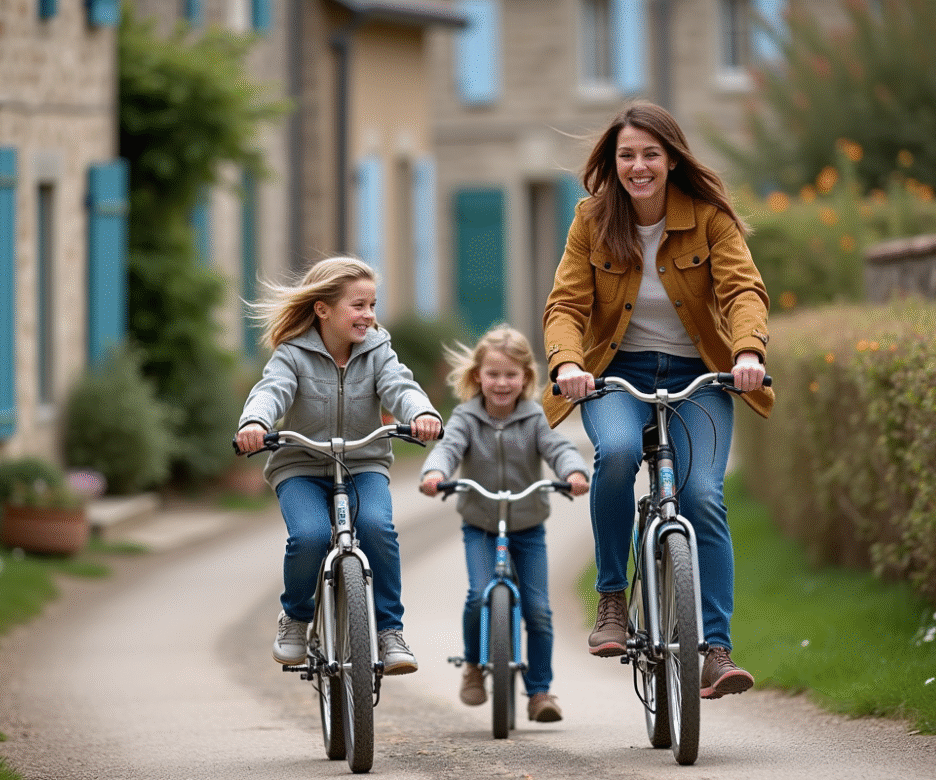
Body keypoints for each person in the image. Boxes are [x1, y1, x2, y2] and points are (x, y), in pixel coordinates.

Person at [543, 101, 773, 699]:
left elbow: (742, 289)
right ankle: (613, 599)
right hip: (616, 373)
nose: (638, 166)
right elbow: (566, 305)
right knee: (617, 454)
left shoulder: (709, 217)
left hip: (699, 373)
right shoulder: (591, 220)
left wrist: (747, 352)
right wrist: (568, 363)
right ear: (613, 162)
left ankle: (715, 650)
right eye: (627, 155)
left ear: (671, 159)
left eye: (650, 154)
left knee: (701, 495)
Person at [236, 256, 443, 675]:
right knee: (310, 536)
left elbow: (401, 385)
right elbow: (271, 391)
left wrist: (422, 413)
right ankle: (295, 618)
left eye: (372, 304)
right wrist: (255, 422)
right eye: (358, 305)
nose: (368, 315)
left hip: (363, 463)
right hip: (301, 466)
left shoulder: (378, 350)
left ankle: (389, 631)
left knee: (378, 530)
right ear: (322, 308)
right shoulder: (292, 353)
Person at [419, 325, 590, 722]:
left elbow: (559, 448)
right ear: (477, 376)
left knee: (539, 610)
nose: (501, 383)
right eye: (493, 374)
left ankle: (540, 691)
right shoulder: (465, 417)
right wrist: (434, 474)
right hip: (480, 523)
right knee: (479, 595)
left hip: (528, 525)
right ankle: (475, 667)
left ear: (526, 378)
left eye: (511, 375)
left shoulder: (534, 418)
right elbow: (447, 448)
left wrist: (574, 472)